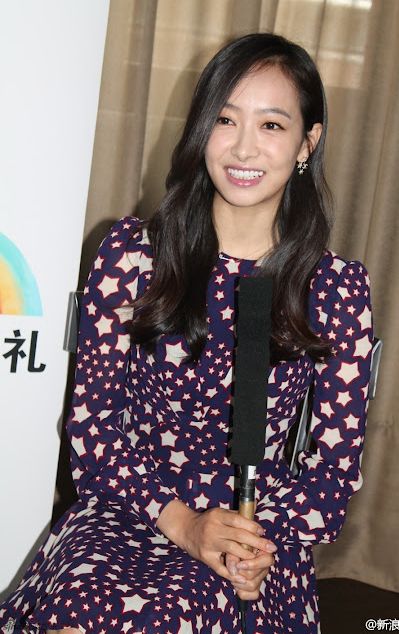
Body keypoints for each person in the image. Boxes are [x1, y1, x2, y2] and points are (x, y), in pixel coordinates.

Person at [0, 33, 373, 634]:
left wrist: (254, 542)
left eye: (271, 125)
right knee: (79, 615)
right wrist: (182, 523)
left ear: (308, 141)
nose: (244, 146)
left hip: (252, 531)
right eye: (225, 119)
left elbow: (333, 471)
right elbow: (94, 432)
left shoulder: (334, 288)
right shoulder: (133, 255)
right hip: (130, 507)